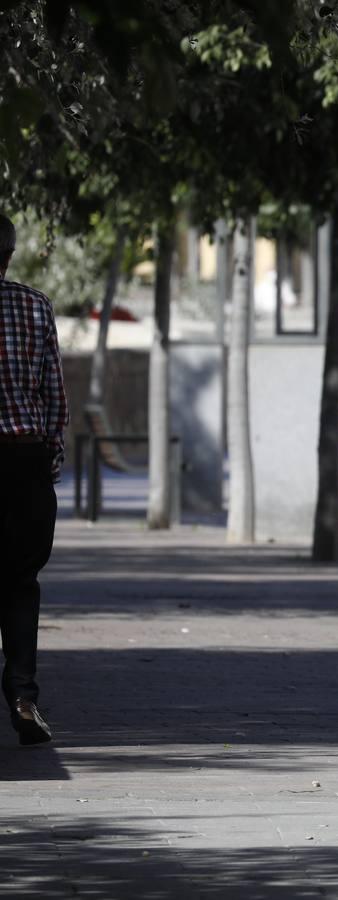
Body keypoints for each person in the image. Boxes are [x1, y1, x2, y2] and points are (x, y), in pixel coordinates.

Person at [0, 213, 68, 746]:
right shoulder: (34, 304)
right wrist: (48, 466)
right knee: (21, 582)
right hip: (22, 460)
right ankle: (22, 697)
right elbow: (54, 398)